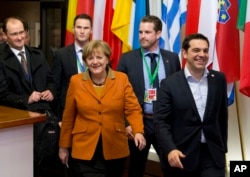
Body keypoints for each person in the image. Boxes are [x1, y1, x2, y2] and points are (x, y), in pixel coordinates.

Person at [58, 40, 146, 177]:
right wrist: (63, 146)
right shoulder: (76, 81)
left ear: (107, 59)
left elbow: (133, 109)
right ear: (85, 61)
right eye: (90, 58)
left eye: (99, 57)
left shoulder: (121, 79)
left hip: (114, 148)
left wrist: (138, 131)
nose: (95, 62)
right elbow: (68, 117)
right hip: (84, 148)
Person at [154, 33, 228, 177]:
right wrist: (170, 149)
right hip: (181, 156)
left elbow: (222, 117)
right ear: (184, 53)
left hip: (212, 156)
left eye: (205, 51)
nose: (202, 54)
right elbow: (161, 122)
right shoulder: (169, 84)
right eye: (196, 50)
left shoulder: (219, 79)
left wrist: (222, 148)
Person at [117, 15, 181, 177]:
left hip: (164, 123)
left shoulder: (172, 59)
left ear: (158, 34)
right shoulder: (127, 59)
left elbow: (178, 92)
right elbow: (117, 95)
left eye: (147, 32)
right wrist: (126, 123)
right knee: (136, 168)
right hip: (138, 123)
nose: (142, 36)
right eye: (140, 32)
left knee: (171, 167)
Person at [0, 16, 59, 177]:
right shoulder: (1, 59)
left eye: (22, 32)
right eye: (14, 34)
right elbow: (2, 94)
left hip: (43, 120)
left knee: (46, 167)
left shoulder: (38, 54)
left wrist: (50, 91)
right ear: (5, 35)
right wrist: (26, 98)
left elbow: (52, 80)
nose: (20, 37)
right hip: (18, 124)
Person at [53, 14, 92, 176]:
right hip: (70, 113)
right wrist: (59, 117)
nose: (82, 31)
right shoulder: (61, 54)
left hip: (93, 113)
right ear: (73, 30)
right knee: (70, 161)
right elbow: (56, 87)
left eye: (86, 28)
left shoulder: (98, 52)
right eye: (79, 27)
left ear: (91, 30)